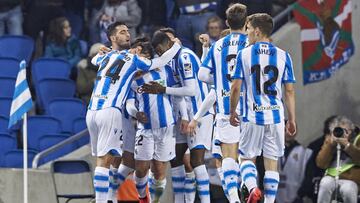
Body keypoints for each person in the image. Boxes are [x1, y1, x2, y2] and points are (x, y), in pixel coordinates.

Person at [86, 21, 181, 203]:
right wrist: (175, 46)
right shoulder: (134, 60)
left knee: (106, 159)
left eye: (128, 31)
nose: (127, 34)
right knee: (106, 161)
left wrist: (102, 50)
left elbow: (93, 60)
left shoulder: (105, 57)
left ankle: (108, 198)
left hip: (92, 111)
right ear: (113, 37)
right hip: (110, 110)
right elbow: (161, 61)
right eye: (122, 32)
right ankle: (102, 200)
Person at [230, 13, 296, 203]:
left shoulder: (245, 53)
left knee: (246, 158)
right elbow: (289, 91)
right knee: (271, 163)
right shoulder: (284, 56)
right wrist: (291, 119)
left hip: (252, 115)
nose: (247, 33)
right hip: (275, 117)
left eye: (249, 29)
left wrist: (232, 111)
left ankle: (252, 188)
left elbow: (235, 87)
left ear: (257, 31)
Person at [143, 29, 213, 203]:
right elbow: (178, 94)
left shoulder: (185, 57)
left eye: (159, 49)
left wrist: (163, 89)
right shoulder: (171, 61)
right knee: (176, 157)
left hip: (200, 113)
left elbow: (191, 90)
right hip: (186, 115)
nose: (159, 53)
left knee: (196, 161)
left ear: (168, 43)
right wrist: (183, 116)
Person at [199, 3, 248, 203]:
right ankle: (251, 188)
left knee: (227, 156)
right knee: (248, 156)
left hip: (226, 108)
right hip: (251, 108)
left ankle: (235, 198)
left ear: (227, 23)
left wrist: (219, 80)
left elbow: (202, 75)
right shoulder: (251, 43)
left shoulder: (218, 45)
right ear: (247, 22)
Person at [316, 116, 360, 203]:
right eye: (338, 130)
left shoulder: (358, 139)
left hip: (352, 180)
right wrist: (330, 145)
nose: (341, 134)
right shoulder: (331, 140)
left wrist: (348, 145)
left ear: (351, 130)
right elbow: (320, 163)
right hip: (331, 178)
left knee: (348, 189)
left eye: (345, 130)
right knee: (325, 183)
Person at [276, 120, 313, 203]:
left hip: (296, 198)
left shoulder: (305, 153)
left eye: (292, 130)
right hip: (272, 196)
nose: (288, 133)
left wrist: (300, 195)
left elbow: (308, 177)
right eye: (285, 130)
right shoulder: (271, 151)